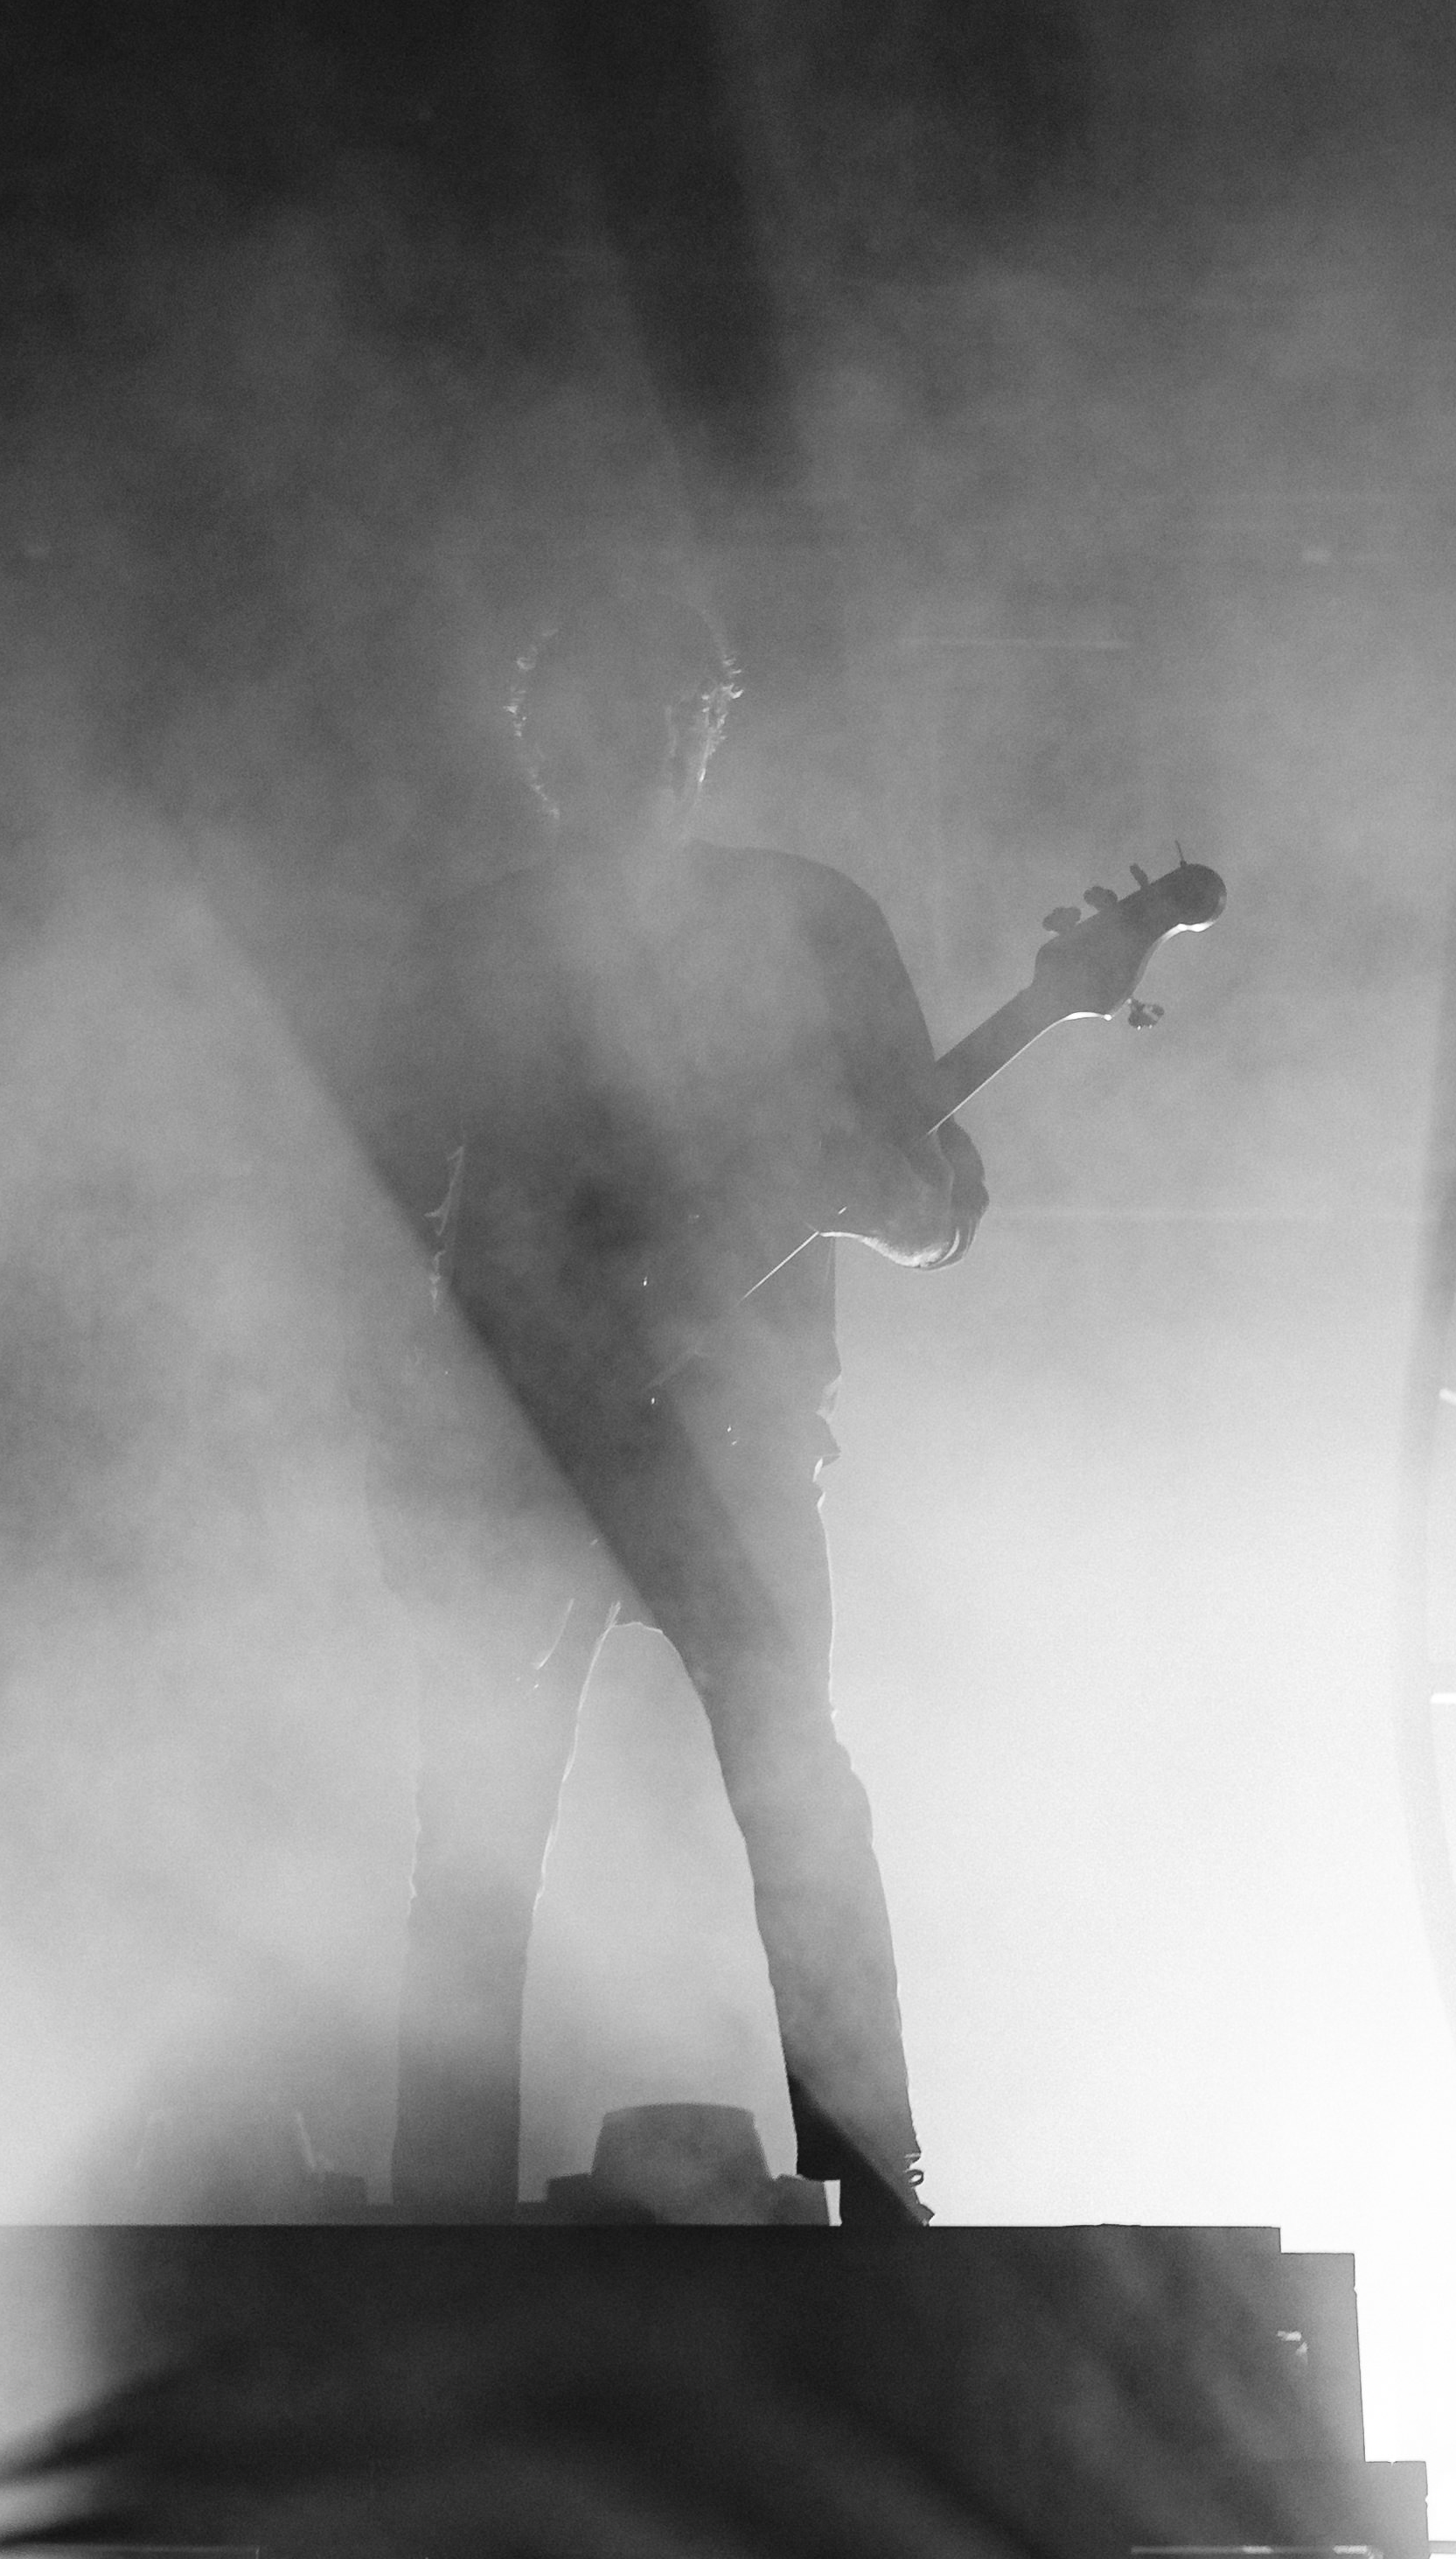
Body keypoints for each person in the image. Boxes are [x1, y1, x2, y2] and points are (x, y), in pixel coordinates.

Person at [368, 589, 984, 2224]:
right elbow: (387, 1219)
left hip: (740, 1445)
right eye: (593, 725)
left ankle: (875, 2177)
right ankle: (441, 2201)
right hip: (520, 1446)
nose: (631, 753)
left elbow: (949, 1199)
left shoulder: (814, 925)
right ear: (539, 748)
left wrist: (878, 1199)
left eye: (663, 718)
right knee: (480, 1822)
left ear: (707, 732)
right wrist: (415, 1450)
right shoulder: (474, 950)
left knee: (797, 1794)